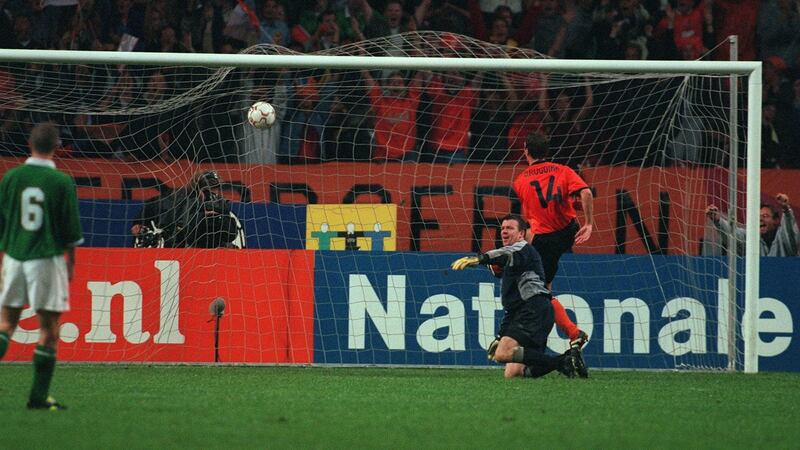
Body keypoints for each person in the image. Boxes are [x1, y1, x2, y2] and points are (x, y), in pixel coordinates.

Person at [0, 123, 83, 410]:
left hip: (13, 257)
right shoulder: (61, 182)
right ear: (57, 146)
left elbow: (2, 223)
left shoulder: (11, 177)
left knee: (5, 324)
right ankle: (38, 397)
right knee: (49, 329)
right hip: (45, 259)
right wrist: (70, 264)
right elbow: (70, 231)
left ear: (29, 144)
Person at [451, 214, 583, 379]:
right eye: (502, 229)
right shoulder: (514, 263)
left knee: (503, 353)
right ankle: (567, 360)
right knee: (513, 373)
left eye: (510, 228)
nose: (504, 232)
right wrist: (500, 336)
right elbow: (512, 309)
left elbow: (505, 254)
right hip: (535, 311)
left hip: (534, 309)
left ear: (521, 234)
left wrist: (481, 258)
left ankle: (561, 362)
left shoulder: (522, 248)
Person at [513, 131, 594, 352]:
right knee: (540, 288)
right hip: (568, 230)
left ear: (526, 151)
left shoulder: (520, 181)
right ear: (547, 151)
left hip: (546, 239)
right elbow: (585, 193)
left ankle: (572, 333)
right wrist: (589, 223)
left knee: (539, 292)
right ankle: (542, 340)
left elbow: (533, 219)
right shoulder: (563, 170)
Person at [131, 170, 245, 249]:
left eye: (216, 188)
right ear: (198, 189)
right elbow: (150, 213)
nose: (213, 193)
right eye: (208, 188)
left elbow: (230, 234)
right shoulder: (175, 201)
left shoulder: (220, 204)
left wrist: (219, 220)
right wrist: (139, 224)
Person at [702, 193, 799, 257]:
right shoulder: (749, 238)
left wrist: (786, 209)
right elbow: (732, 234)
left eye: (765, 216)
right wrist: (717, 220)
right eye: (758, 217)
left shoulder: (783, 238)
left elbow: (790, 232)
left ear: (775, 220)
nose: (760, 219)